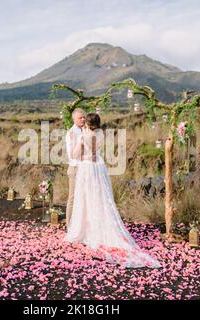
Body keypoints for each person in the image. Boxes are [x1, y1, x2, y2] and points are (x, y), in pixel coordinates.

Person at [65, 113, 161, 269]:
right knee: (101, 198)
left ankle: (87, 230)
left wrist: (79, 141)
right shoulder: (101, 134)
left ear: (88, 125)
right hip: (99, 167)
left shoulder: (84, 135)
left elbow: (75, 154)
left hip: (87, 168)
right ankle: (98, 227)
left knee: (85, 199)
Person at [65, 108, 86, 228]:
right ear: (74, 119)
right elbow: (72, 155)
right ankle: (69, 226)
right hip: (75, 168)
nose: (83, 119)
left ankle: (81, 225)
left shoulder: (85, 130)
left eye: (84, 117)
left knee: (84, 197)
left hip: (86, 168)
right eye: (80, 117)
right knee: (72, 198)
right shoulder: (71, 133)